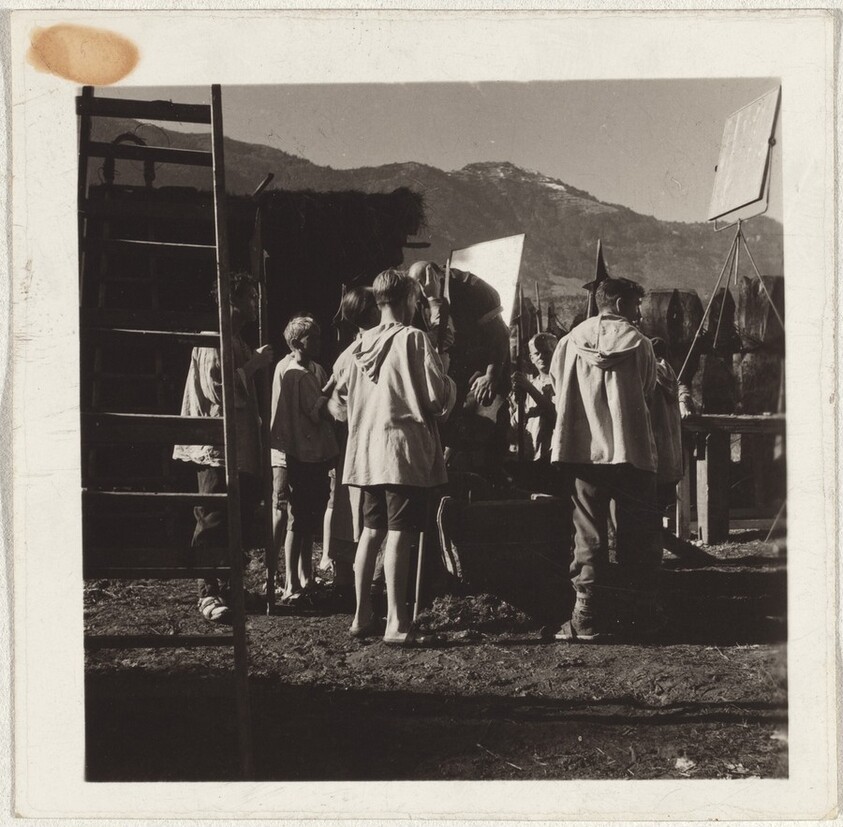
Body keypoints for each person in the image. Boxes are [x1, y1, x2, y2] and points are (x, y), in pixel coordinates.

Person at [331, 269, 456, 646]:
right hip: (402, 452)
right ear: (407, 300)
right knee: (400, 535)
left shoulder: (356, 347)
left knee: (371, 533)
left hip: (367, 453)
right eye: (417, 300)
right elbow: (436, 398)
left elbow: (337, 396)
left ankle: (361, 615)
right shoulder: (414, 339)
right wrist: (451, 382)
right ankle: (397, 623)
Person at [550, 277, 662, 642]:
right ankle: (638, 615)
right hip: (630, 451)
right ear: (616, 303)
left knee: (588, 531)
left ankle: (586, 618)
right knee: (636, 532)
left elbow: (556, 388)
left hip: (585, 452)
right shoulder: (640, 345)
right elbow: (648, 389)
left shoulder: (568, 343)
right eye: (634, 304)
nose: (640, 312)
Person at [173, 272, 274, 623]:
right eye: (250, 297)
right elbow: (220, 392)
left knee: (237, 515)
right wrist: (254, 366)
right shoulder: (213, 340)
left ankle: (229, 583)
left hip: (239, 447)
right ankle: (208, 591)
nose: (256, 304)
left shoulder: (239, 342)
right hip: (215, 447)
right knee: (213, 516)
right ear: (232, 299)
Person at [406, 261, 511, 470]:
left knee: (486, 423)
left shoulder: (473, 288)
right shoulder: (414, 296)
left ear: (437, 276)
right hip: (448, 374)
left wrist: (491, 375)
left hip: (480, 372)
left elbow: (499, 336)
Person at [272, 315, 338, 604]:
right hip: (297, 453)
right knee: (294, 517)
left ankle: (306, 576)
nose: (320, 342)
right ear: (298, 342)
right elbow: (315, 410)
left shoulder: (315, 369)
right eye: (315, 337)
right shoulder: (293, 372)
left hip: (314, 452)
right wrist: (335, 386)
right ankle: (289, 581)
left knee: (308, 515)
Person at [319, 286, 379, 594]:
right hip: (363, 443)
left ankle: (348, 579)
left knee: (348, 507)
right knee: (356, 508)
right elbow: (334, 403)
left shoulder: (347, 355)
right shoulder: (361, 353)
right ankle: (354, 582)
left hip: (353, 444)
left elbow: (333, 400)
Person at [511, 331, 559, 462]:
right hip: (532, 453)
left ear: (556, 354)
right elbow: (515, 424)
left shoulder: (561, 383)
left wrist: (530, 389)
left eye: (547, 352)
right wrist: (519, 405)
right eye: (537, 354)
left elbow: (558, 416)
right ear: (531, 358)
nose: (541, 357)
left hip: (552, 453)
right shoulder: (530, 384)